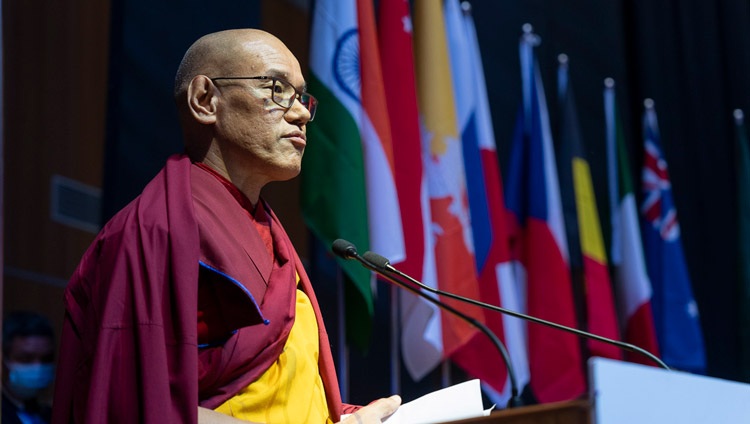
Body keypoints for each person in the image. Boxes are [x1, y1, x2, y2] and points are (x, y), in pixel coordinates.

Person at [51, 29, 400, 424]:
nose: (301, 112)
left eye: (302, 97)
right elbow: (136, 406)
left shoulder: (271, 236)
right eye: (276, 88)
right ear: (205, 100)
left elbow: (277, 396)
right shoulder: (149, 234)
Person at [2, 310, 55, 424]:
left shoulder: (51, 414)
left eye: (46, 359)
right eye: (26, 359)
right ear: (4, 360)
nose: (38, 367)